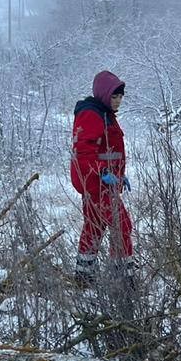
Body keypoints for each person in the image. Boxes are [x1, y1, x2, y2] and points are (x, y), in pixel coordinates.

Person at [70, 70, 132, 283]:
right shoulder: (91, 115)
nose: (118, 101)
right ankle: (123, 279)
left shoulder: (104, 114)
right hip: (97, 185)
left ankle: (84, 275)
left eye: (120, 97)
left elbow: (108, 151)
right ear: (104, 95)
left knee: (94, 226)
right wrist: (104, 173)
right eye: (114, 97)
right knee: (121, 224)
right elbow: (84, 153)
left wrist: (118, 176)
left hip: (103, 183)